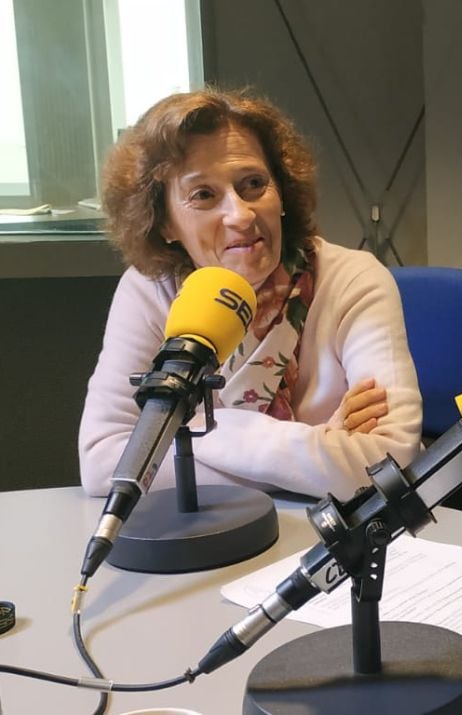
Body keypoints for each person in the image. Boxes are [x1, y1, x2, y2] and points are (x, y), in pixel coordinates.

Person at [79, 88, 422, 499]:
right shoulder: (149, 290)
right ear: (165, 222)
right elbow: (104, 462)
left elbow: (389, 459)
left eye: (254, 184)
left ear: (281, 194)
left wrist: (188, 435)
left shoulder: (352, 278)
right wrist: (315, 449)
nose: (240, 215)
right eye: (203, 195)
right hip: (206, 541)